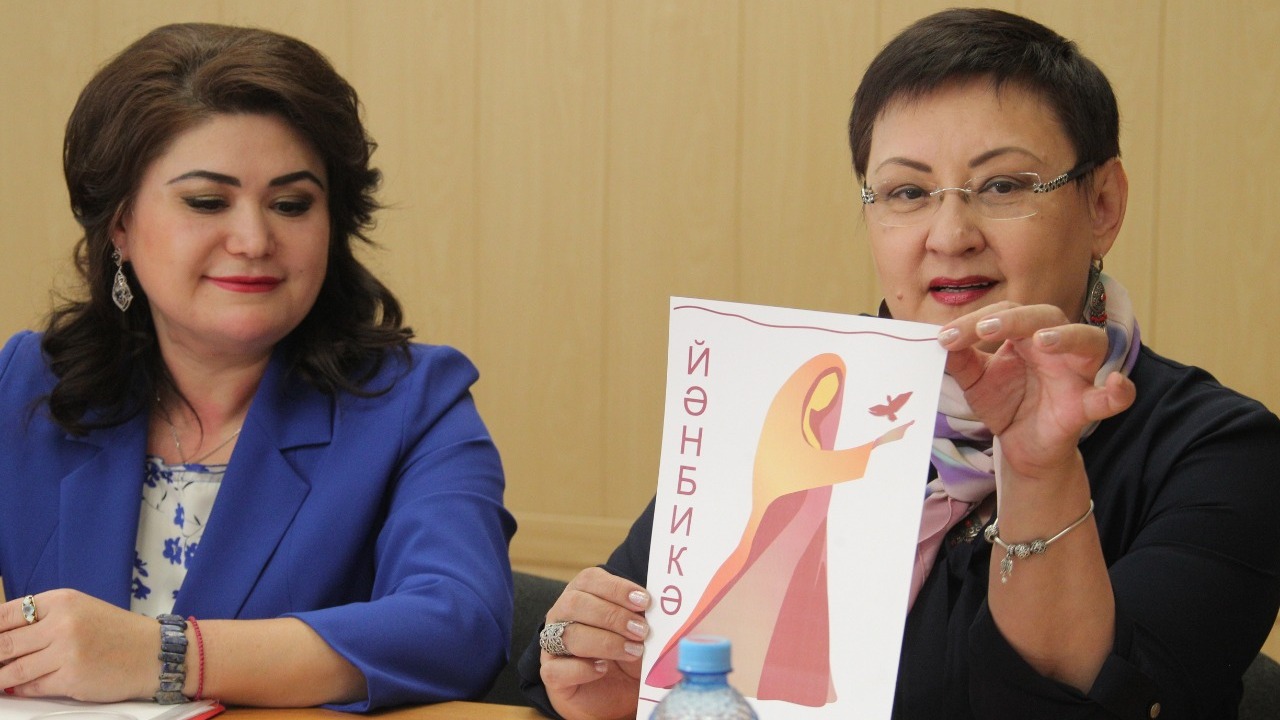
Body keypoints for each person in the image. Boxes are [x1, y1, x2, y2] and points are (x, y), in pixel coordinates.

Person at [516, 8, 1280, 719]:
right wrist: (596, 679)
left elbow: (1092, 705)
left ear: (1103, 204)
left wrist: (1038, 468)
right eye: (907, 192)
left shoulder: (1221, 452)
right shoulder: (807, 389)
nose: (949, 235)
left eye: (1002, 185)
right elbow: (629, 658)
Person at [0, 23, 514, 710]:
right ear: (119, 223)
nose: (253, 240)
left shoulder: (414, 402)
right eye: (207, 202)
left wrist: (166, 655)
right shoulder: (26, 383)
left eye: (291, 205)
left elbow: (460, 628)